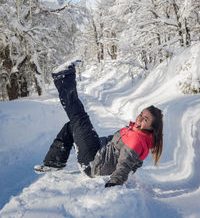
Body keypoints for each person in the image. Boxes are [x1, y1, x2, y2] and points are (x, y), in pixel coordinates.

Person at [34, 61, 163, 187]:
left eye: (145, 119)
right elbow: (114, 147)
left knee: (79, 117)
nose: (139, 119)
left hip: (94, 164)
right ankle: (54, 162)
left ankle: (63, 76)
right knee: (73, 125)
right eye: (141, 114)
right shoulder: (137, 134)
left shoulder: (137, 139)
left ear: (152, 128)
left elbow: (125, 163)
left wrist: (115, 182)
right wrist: (88, 136)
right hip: (98, 153)